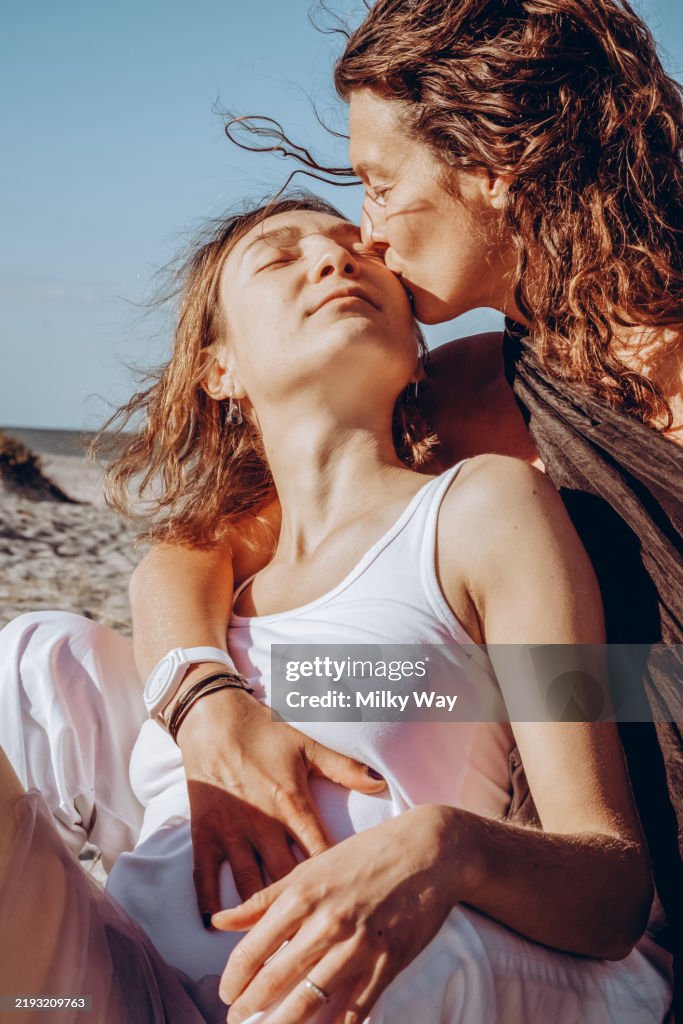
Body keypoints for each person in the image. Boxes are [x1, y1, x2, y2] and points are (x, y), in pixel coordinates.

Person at [0, 195, 673, 1022]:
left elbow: (611, 884)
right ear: (220, 369)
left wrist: (443, 846)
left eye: (358, 252)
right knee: (35, 650)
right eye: (280, 258)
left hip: (375, 990)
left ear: (415, 351)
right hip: (125, 985)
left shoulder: (490, 510)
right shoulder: (214, 581)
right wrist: (207, 703)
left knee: (394, 970)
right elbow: (172, 560)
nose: (334, 259)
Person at [132, 0, 682, 1009]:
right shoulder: (477, 396)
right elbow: (193, 548)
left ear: (492, 164)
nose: (367, 238)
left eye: (379, 187)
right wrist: (200, 692)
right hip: (576, 901)